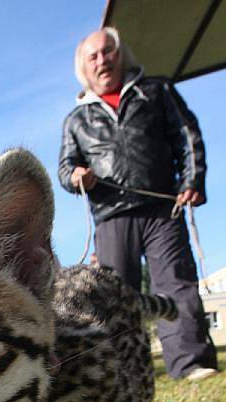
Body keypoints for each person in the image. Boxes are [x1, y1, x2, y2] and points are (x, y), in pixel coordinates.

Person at [58, 27, 218, 382]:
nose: (103, 60)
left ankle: (190, 363)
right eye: (93, 56)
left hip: (163, 208)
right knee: (115, 297)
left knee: (175, 283)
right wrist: (75, 178)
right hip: (111, 216)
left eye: (108, 51)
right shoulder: (76, 119)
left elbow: (186, 136)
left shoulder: (156, 92)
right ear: (84, 68)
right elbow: (64, 168)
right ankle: (123, 375)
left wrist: (193, 181)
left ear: (121, 55)